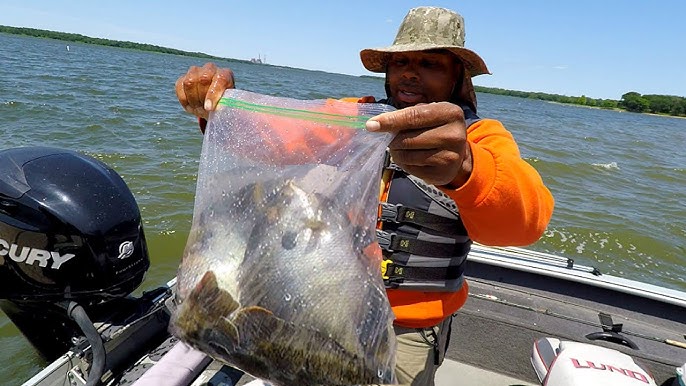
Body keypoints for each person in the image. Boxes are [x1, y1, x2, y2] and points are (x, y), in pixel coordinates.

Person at [175, 6, 554, 386]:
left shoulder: (480, 139)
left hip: (406, 331)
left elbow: (524, 224)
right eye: (400, 61)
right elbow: (272, 137)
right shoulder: (355, 117)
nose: (410, 72)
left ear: (458, 77)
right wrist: (221, 106)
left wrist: (466, 169)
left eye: (430, 63)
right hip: (311, 306)